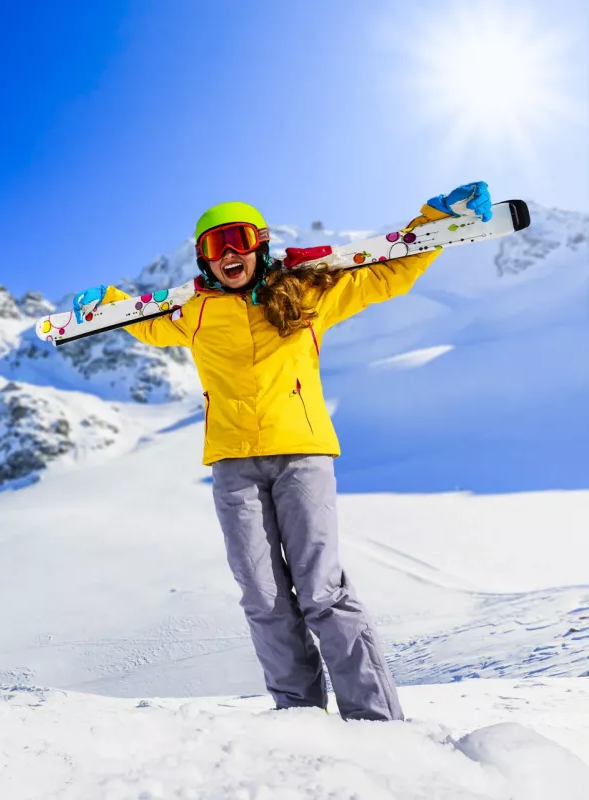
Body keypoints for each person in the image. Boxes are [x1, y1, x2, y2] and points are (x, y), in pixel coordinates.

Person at [73, 182, 492, 722]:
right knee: (262, 598)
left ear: (260, 245)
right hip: (233, 466)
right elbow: (141, 322)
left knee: (321, 589)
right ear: (202, 258)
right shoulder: (192, 313)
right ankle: (299, 719)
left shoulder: (306, 293)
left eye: (238, 240)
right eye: (214, 246)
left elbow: (387, 271)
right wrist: (105, 304)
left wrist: (435, 219)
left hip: (302, 454)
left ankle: (374, 719)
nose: (228, 254)